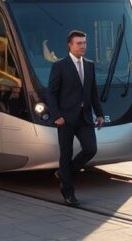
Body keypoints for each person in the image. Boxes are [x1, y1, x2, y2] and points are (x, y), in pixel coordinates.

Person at [46, 30, 104, 207]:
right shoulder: (60, 66)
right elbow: (51, 94)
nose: (83, 46)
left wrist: (99, 113)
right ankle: (68, 193)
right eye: (79, 43)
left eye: (85, 43)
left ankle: (64, 173)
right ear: (70, 45)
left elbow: (93, 92)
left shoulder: (89, 65)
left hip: (85, 117)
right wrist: (56, 116)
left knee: (90, 148)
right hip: (65, 119)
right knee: (66, 154)